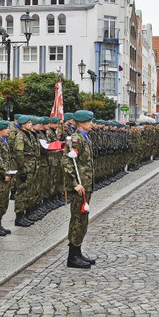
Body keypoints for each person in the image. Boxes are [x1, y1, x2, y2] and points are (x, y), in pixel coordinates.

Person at [63, 110, 96, 269]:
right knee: (77, 219)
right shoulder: (75, 139)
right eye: (89, 121)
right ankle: (72, 257)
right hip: (80, 186)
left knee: (83, 219)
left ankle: (78, 251)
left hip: (86, 184)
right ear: (81, 123)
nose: (92, 124)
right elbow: (67, 163)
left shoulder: (85, 137)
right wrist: (75, 183)